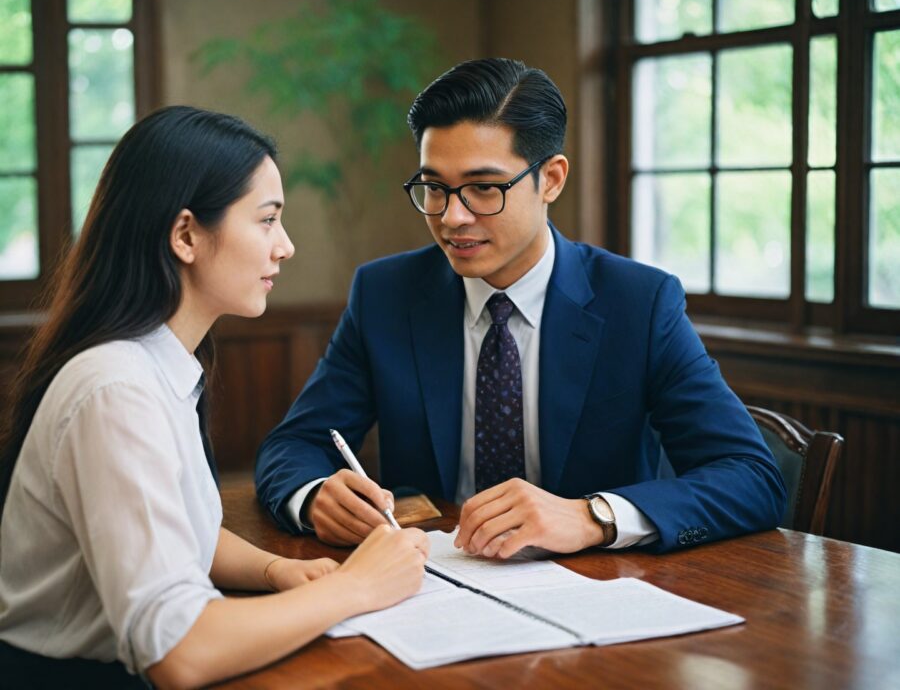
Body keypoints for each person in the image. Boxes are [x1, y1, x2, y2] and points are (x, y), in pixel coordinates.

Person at [255, 58, 786, 560]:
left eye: (484, 188)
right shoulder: (386, 294)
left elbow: (753, 479)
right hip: (430, 583)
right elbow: (295, 444)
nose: (452, 217)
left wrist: (591, 516)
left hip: (600, 594)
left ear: (551, 178)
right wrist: (313, 495)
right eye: (434, 188)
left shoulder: (638, 303)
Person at [0, 106, 428, 689]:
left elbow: (177, 528)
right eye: (267, 220)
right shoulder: (116, 390)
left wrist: (277, 571)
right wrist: (356, 588)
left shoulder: (155, 365)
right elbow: (180, 653)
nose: (286, 247)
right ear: (185, 236)